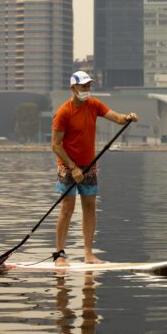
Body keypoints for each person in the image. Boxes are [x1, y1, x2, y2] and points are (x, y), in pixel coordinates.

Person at [51, 70, 137, 266]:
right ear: (73, 88)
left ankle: (88, 254)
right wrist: (72, 168)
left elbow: (116, 117)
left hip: (89, 166)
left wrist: (128, 117)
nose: (87, 90)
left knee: (90, 208)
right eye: (83, 87)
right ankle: (59, 255)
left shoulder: (94, 105)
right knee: (67, 209)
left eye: (89, 86)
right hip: (68, 167)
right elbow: (55, 145)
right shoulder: (63, 112)